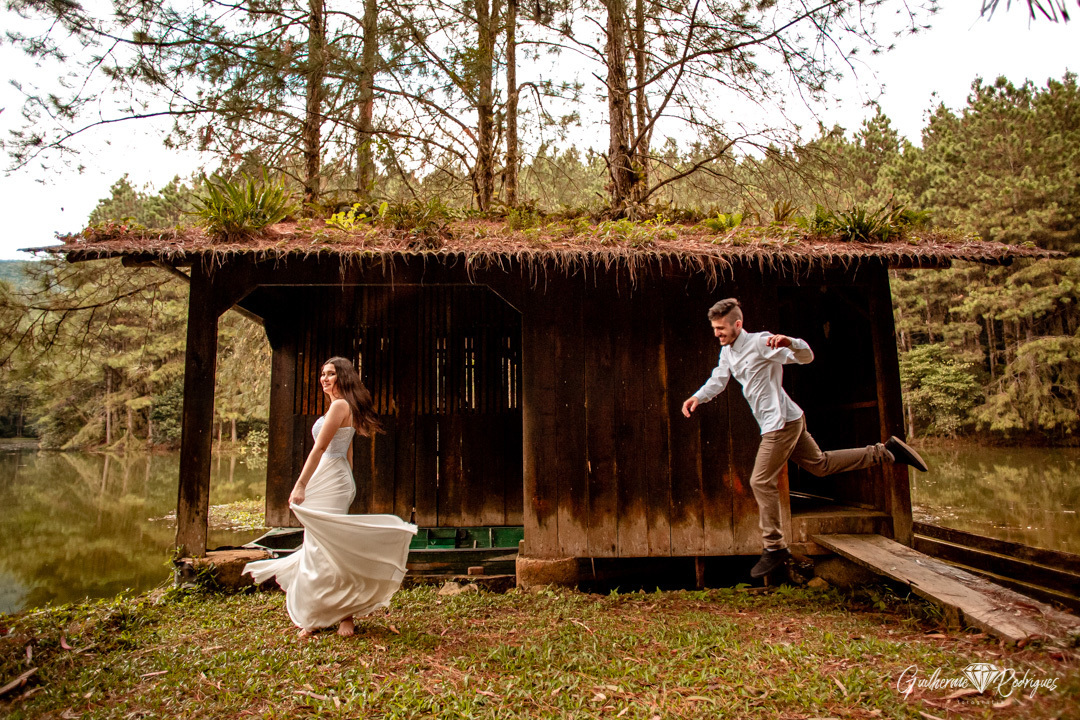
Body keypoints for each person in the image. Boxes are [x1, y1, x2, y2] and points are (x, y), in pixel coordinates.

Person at [681, 298, 927, 579]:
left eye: (721, 328)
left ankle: (774, 547)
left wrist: (790, 342)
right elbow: (719, 379)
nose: (717, 334)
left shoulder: (763, 343)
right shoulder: (728, 352)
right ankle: (886, 451)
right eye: (714, 328)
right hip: (788, 418)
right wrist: (698, 397)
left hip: (780, 424)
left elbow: (806, 356)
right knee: (820, 465)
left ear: (738, 324)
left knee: (760, 481)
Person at [244, 357, 417, 637]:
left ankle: (345, 616)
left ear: (343, 377)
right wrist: (344, 479)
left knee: (331, 546)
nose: (324, 379)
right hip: (329, 477)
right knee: (316, 546)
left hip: (331, 479)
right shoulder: (338, 407)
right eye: (322, 374)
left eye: (331, 374)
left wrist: (300, 485)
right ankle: (315, 615)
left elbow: (321, 449)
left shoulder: (340, 406)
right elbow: (346, 449)